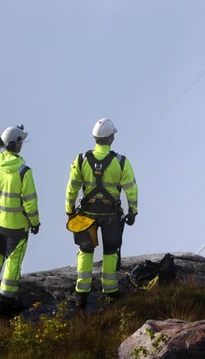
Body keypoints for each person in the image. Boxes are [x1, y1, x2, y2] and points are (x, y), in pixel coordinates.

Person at [65, 118, 138, 308]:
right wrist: (133, 211)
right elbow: (131, 189)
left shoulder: (81, 160)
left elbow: (72, 189)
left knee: (85, 251)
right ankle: (111, 289)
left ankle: (81, 293)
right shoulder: (121, 162)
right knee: (111, 251)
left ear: (95, 138)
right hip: (111, 215)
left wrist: (69, 210)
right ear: (111, 138)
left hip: (87, 214)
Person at [0, 124, 41, 316]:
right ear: (16, 145)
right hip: (17, 226)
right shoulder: (24, 172)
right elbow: (30, 202)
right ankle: (6, 304)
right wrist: (35, 222)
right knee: (13, 262)